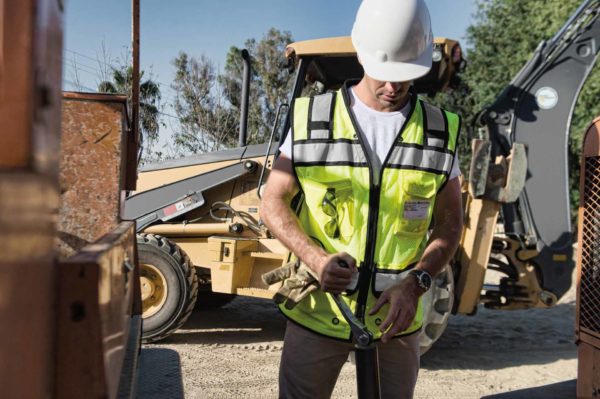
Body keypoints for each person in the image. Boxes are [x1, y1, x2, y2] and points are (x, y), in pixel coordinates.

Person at [260, 0, 463, 397]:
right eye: (383, 74)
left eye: (405, 75)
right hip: (319, 312)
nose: (393, 87)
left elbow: (450, 223)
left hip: (397, 317)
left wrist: (417, 284)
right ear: (362, 53)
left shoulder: (440, 131)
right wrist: (315, 259)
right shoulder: (311, 120)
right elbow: (272, 202)